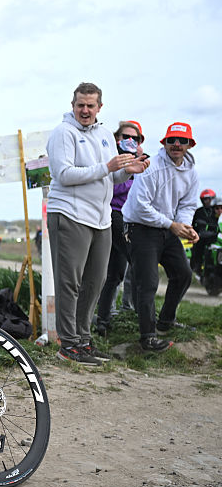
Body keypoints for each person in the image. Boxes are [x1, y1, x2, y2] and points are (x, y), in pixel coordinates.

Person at [46, 82, 147, 366]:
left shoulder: (104, 134)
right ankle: (68, 344)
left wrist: (128, 171)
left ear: (100, 107)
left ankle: (84, 340)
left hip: (100, 218)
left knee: (96, 282)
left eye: (91, 106)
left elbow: (110, 177)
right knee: (70, 283)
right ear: (73, 105)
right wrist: (108, 167)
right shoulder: (62, 133)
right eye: (80, 105)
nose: (85, 110)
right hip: (69, 214)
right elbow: (63, 174)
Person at [121, 122, 201, 352]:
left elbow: (188, 203)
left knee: (183, 274)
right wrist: (172, 225)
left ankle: (165, 322)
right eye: (172, 140)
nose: (176, 145)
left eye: (182, 141)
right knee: (148, 283)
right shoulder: (151, 166)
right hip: (140, 228)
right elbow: (140, 207)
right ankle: (147, 337)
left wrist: (185, 226)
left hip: (167, 227)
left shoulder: (191, 172)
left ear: (190, 145)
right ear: (164, 143)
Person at [94, 121, 145, 336]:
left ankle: (103, 321)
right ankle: (144, 320)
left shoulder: (143, 161)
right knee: (139, 262)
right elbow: (113, 186)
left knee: (115, 273)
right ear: (117, 138)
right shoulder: (110, 157)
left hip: (133, 217)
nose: (130, 141)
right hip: (113, 214)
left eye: (136, 138)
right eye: (125, 136)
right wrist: (129, 172)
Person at [190, 188, 217, 276]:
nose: (207, 201)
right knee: (197, 250)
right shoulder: (198, 212)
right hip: (201, 237)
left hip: (215, 237)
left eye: (209, 199)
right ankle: (196, 270)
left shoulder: (217, 210)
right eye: (205, 199)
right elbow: (192, 225)